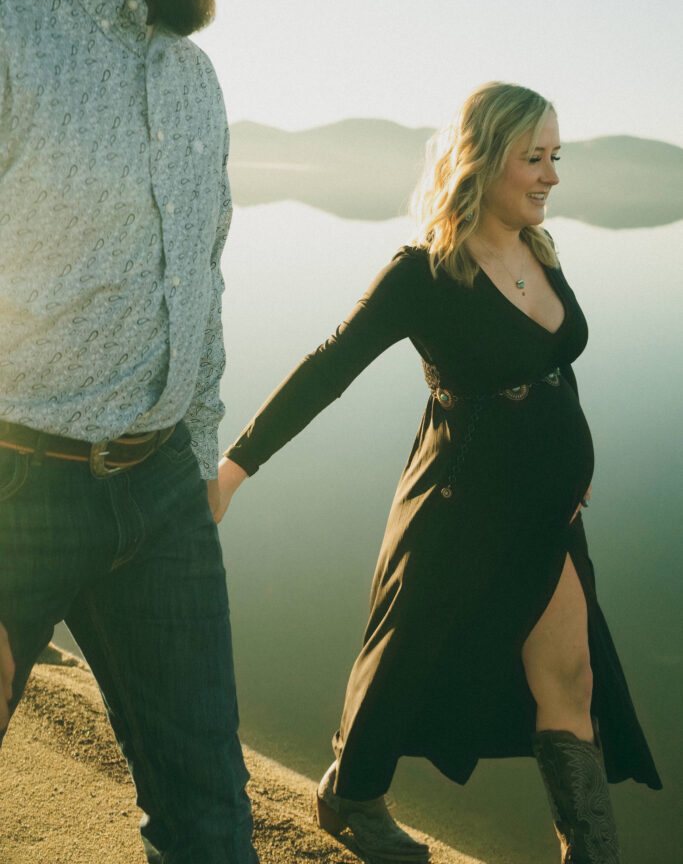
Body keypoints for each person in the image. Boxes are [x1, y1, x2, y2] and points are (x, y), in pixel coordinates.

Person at [216, 82, 661, 864]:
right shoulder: (423, 273)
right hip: (464, 502)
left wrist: (574, 454)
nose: (551, 175)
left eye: (554, 157)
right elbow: (328, 367)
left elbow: (553, 366)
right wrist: (232, 469)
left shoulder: (540, 250)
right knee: (404, 660)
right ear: (481, 160)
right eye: (533, 158)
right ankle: (350, 796)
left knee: (572, 682)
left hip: (548, 509)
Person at [0, 0, 340, 862]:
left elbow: (200, 285)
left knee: (210, 818)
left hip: (160, 499)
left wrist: (194, 464)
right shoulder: (8, 22)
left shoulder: (193, 78)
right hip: (16, 490)